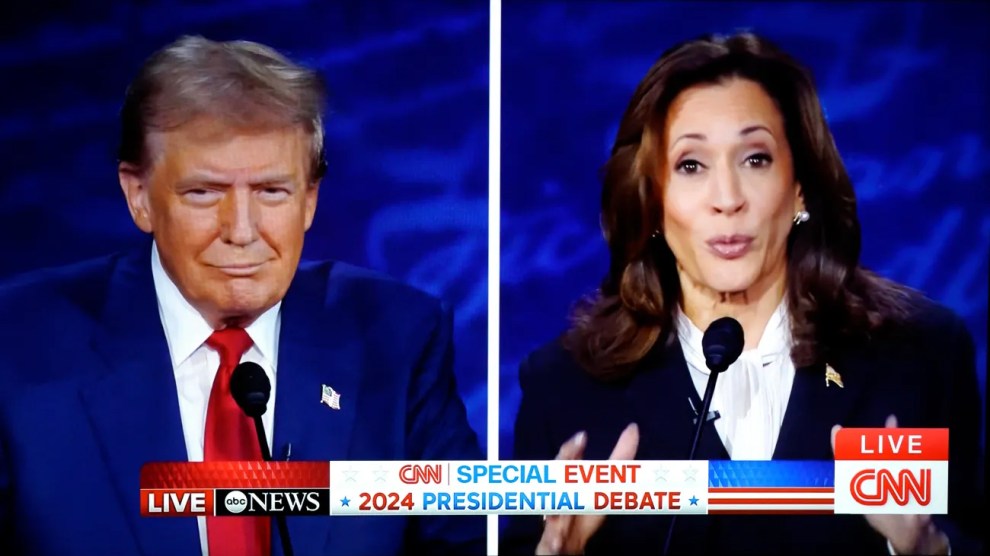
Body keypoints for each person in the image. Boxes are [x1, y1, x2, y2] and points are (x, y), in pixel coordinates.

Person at [502, 32, 984, 555]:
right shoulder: (566, 387)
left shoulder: (919, 355)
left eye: (755, 159)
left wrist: (931, 549)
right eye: (691, 165)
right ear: (652, 199)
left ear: (799, 185)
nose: (727, 199)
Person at [0, 35, 484, 556]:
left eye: (272, 191)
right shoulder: (19, 345)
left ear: (309, 201)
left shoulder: (398, 336)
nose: (242, 231)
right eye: (204, 193)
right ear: (139, 197)